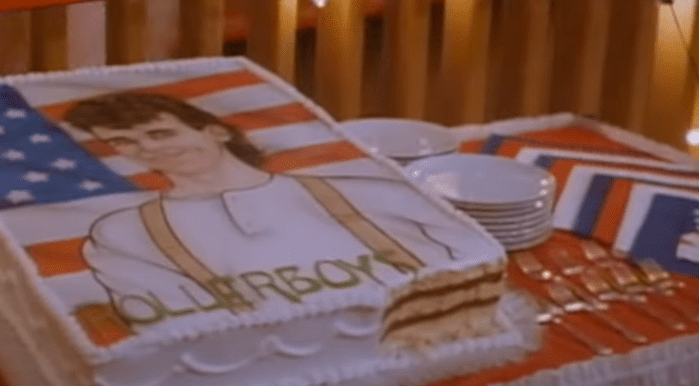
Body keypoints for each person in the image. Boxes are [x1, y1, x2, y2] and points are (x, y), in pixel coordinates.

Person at [64, 92, 495, 330]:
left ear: (215, 130)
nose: (148, 149)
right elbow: (158, 324)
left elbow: (476, 266)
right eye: (124, 142)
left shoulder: (371, 193)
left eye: (160, 132)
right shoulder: (122, 231)